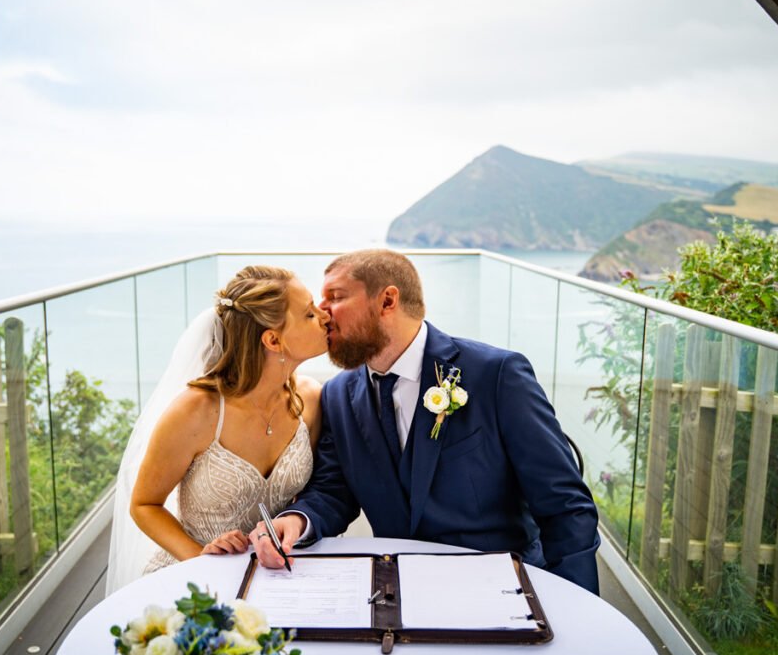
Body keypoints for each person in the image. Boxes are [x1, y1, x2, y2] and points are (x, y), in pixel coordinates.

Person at [251, 249, 601, 594]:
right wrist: (298, 520)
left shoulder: (496, 375)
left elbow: (566, 507)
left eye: (335, 297)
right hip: (396, 591)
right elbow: (333, 491)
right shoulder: (338, 395)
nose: (322, 313)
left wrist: (576, 608)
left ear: (388, 301)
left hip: (502, 588)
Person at [105, 265, 330, 595]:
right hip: (192, 579)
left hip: (274, 577)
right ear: (272, 339)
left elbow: (307, 496)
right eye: (309, 314)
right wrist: (200, 558)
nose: (324, 316)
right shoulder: (196, 411)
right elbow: (144, 505)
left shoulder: (309, 399)